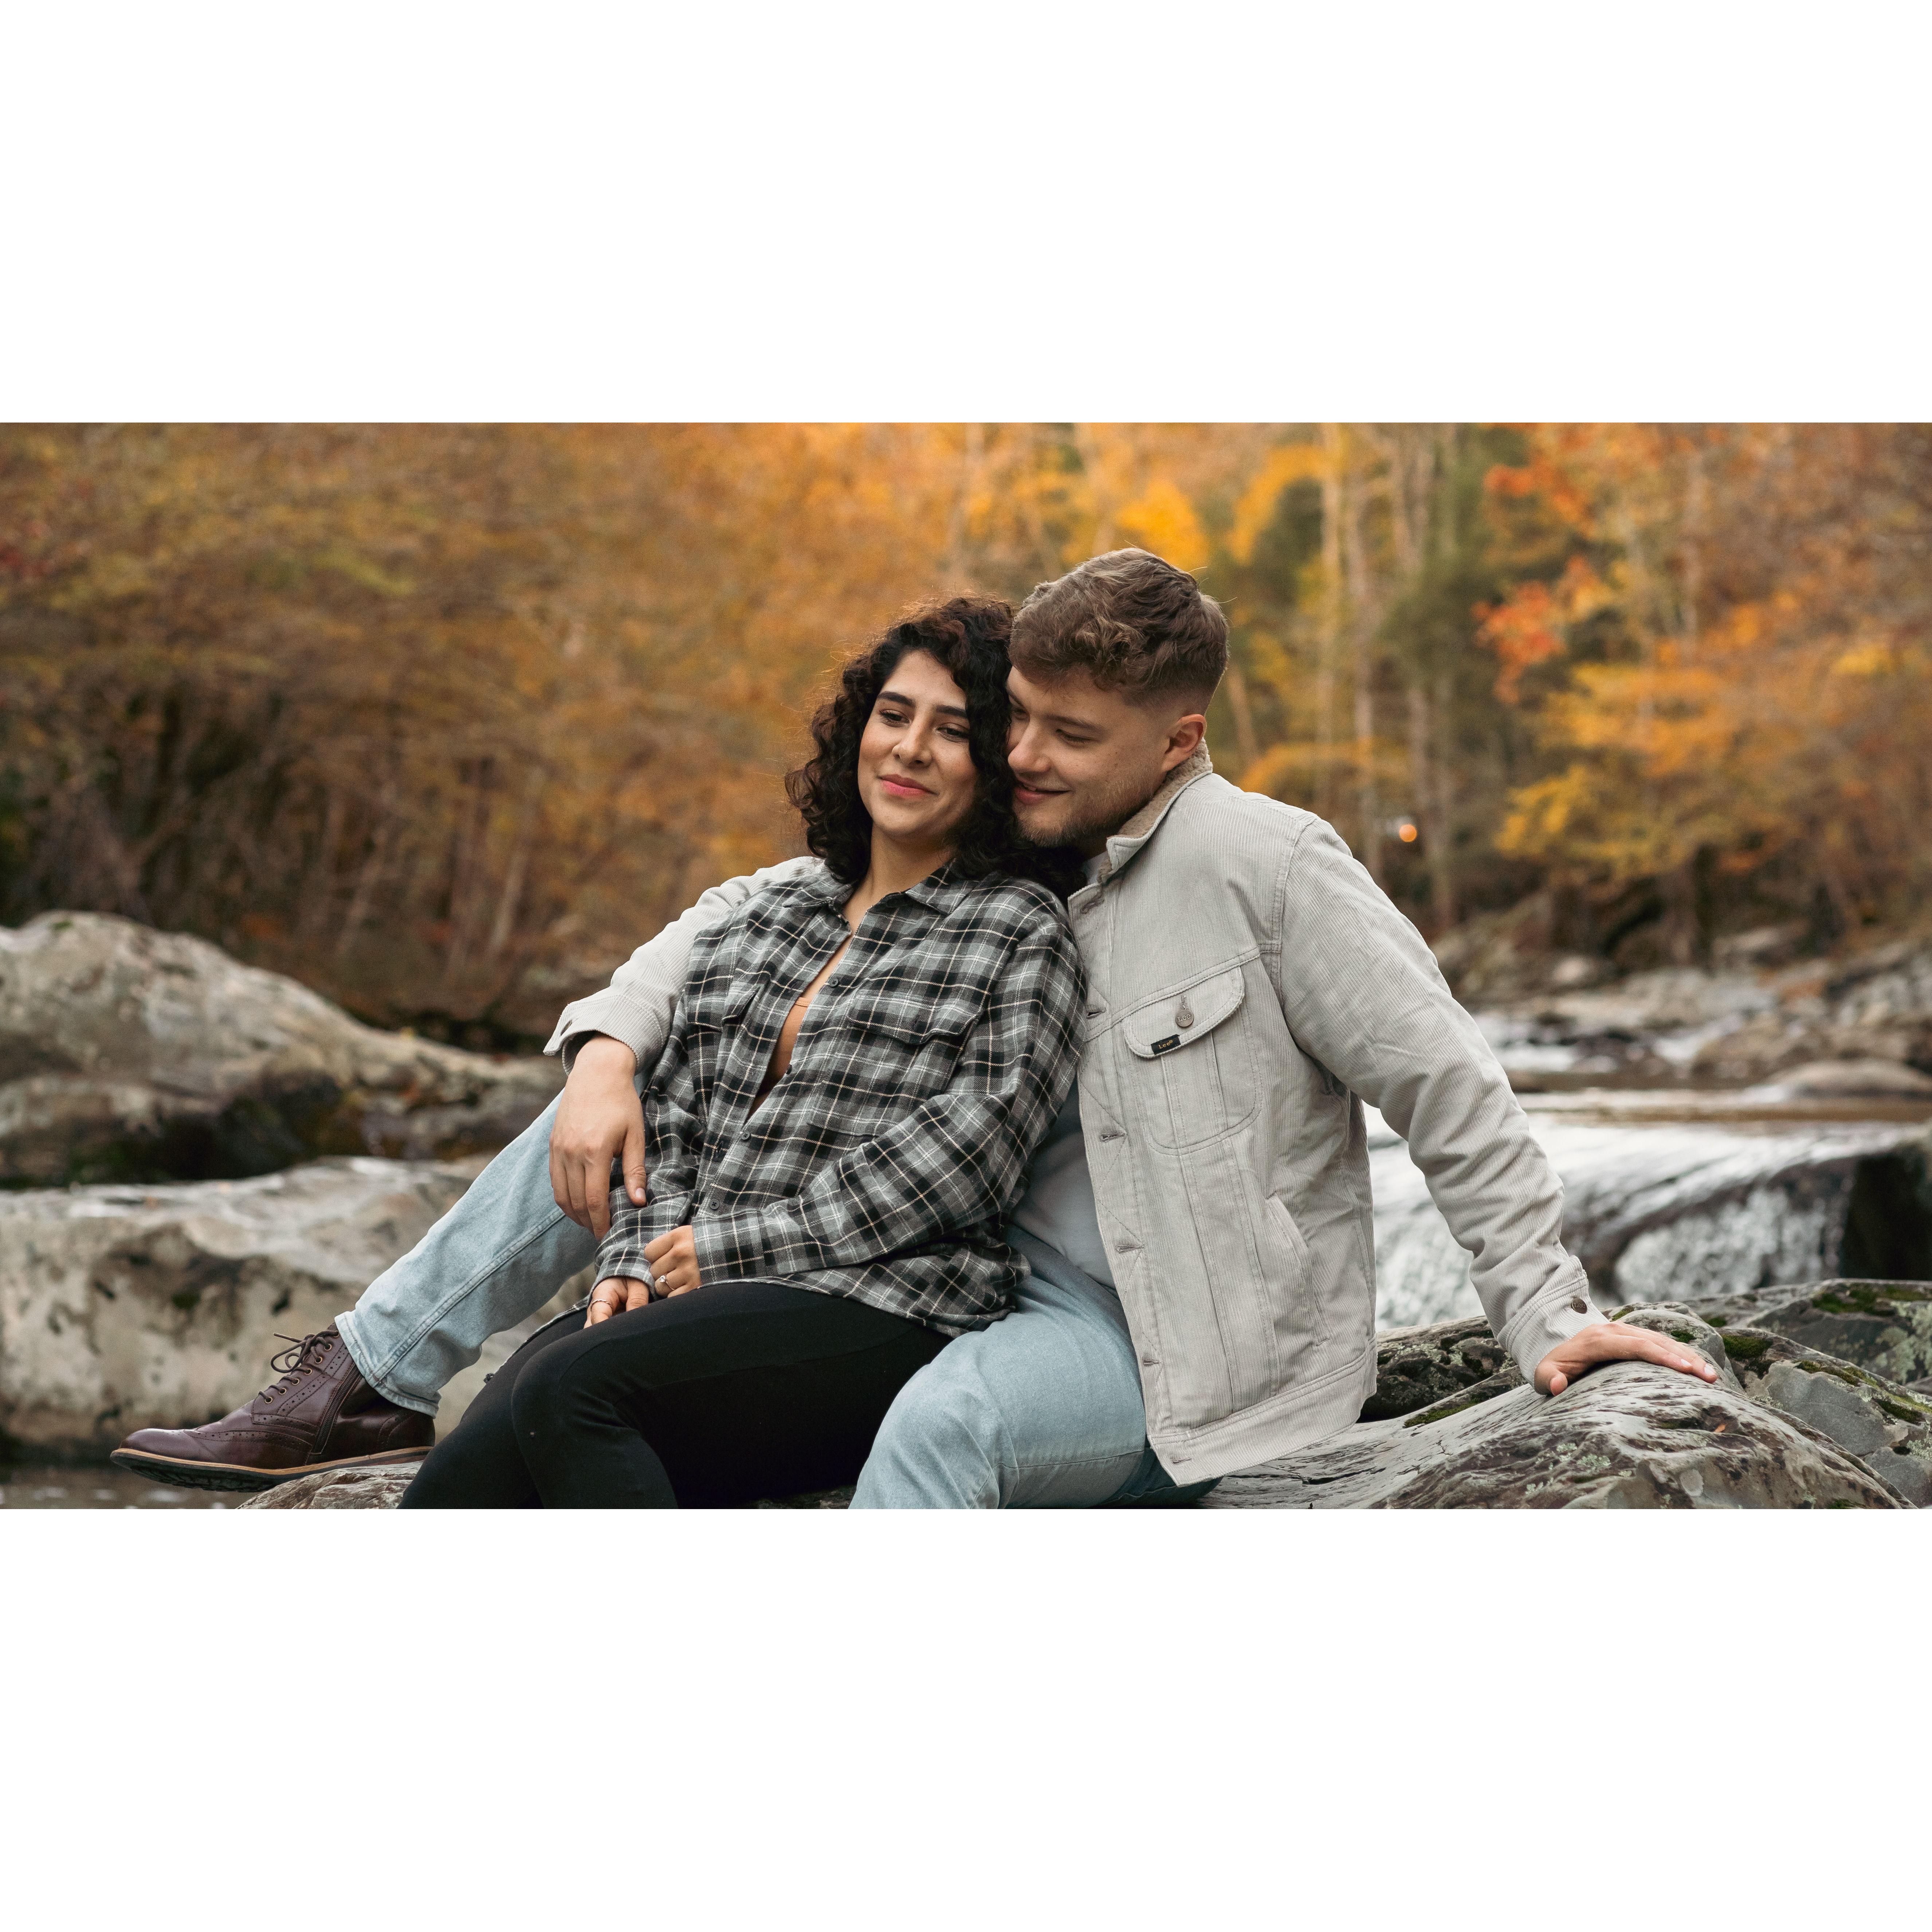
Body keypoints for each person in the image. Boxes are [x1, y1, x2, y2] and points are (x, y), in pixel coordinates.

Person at [115, 550, 1719, 1507]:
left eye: (1067, 734)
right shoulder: (1011, 840)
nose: (1020, 755)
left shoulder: (1268, 868)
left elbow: (1450, 1088)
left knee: (931, 1427)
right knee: (616, 1141)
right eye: (1013, 716)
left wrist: (1545, 1315)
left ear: (1178, 742)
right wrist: (606, 1043)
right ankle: (373, 1372)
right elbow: (748, 916)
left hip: (1164, 1347)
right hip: (966, 1285)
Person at [115, 600, 1085, 1506]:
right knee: (482, 1444)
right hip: (709, 1298)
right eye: (894, 716)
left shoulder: (1017, 930)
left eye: (952, 731)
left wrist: (724, 1250)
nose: (910, 748)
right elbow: (673, 1111)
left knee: (571, 1389)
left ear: (991, 764)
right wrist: (631, 1258)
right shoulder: (772, 913)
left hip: (890, 1308)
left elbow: (967, 1159)